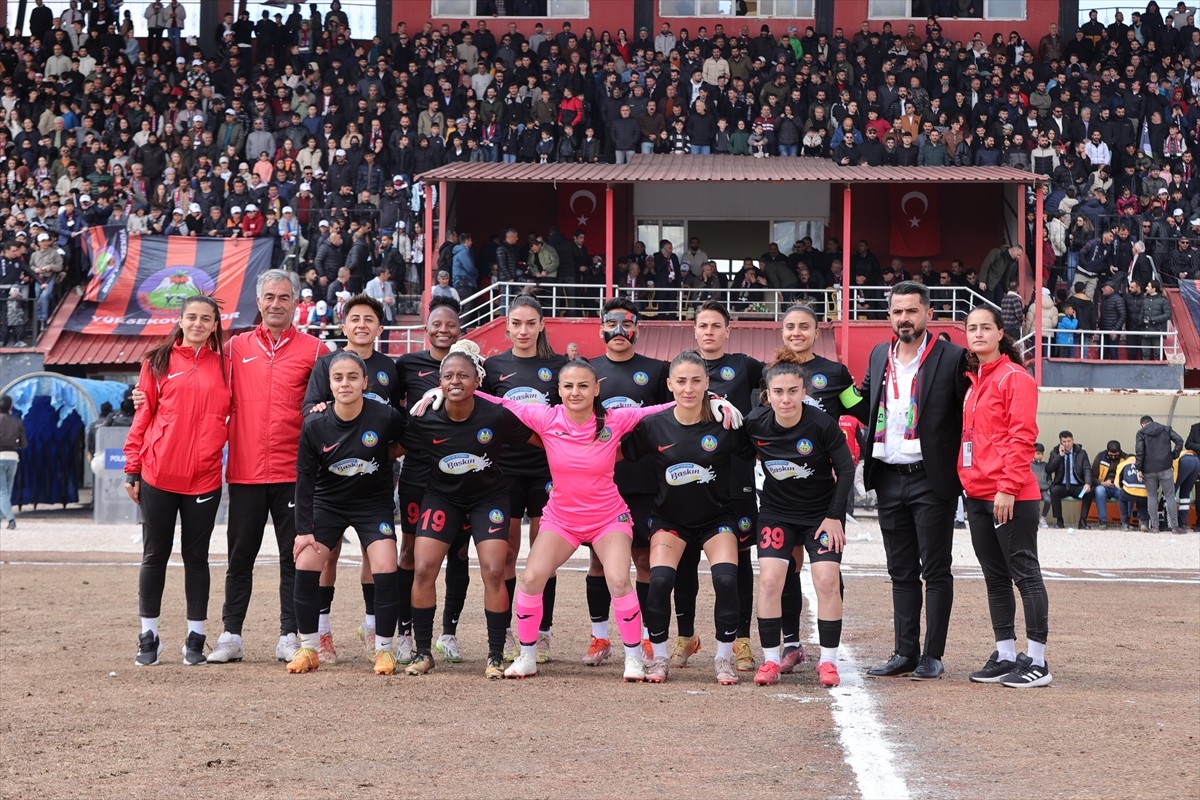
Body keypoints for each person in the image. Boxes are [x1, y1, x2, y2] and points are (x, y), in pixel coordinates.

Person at [411, 360, 740, 681]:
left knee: (618, 581)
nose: (576, 392)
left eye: (584, 385)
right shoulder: (545, 417)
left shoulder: (615, 419)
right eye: (568, 386)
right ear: (559, 390)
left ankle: (634, 658)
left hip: (608, 517)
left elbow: (657, 410)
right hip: (562, 519)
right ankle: (526, 656)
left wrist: (714, 400)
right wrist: (436, 392)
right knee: (530, 579)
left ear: (597, 389)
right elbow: (500, 400)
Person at [205, 269, 327, 664]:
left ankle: (288, 635)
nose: (276, 304)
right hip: (244, 471)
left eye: (284, 297)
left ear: (296, 303)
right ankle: (231, 634)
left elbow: (331, 406)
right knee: (240, 557)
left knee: (293, 558)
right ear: (258, 302)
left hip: (295, 474)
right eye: (269, 297)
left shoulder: (315, 350)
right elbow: (198, 383)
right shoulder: (234, 347)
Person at [850, 281, 969, 681]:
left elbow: (970, 413)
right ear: (889, 316)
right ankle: (904, 652)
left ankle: (932, 655)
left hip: (930, 478)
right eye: (898, 311)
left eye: (912, 311)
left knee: (935, 570)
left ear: (928, 314)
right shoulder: (879, 354)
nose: (904, 318)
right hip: (888, 476)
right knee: (900, 571)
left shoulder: (952, 358)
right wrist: (821, 389)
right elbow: (860, 401)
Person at [398, 342, 534, 679]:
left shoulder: (496, 416)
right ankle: (424, 651)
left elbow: (540, 440)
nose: (455, 381)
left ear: (477, 381)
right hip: (442, 499)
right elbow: (393, 448)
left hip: (488, 500)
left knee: (493, 569)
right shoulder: (423, 417)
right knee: (423, 567)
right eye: (448, 376)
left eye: (463, 375)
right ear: (439, 382)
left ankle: (495, 655)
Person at [621, 350, 748, 685]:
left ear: (707, 383)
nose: (688, 388)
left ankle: (723, 659)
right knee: (660, 581)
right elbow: (616, 451)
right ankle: (659, 659)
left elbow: (762, 444)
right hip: (670, 521)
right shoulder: (653, 426)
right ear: (669, 385)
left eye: (696, 380)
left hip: (716, 519)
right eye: (681, 381)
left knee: (725, 579)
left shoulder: (725, 423)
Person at [123, 296, 229, 667]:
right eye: (192, 317)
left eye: (206, 319)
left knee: (197, 559)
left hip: (204, 478)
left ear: (215, 325)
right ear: (181, 321)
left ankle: (195, 638)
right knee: (155, 556)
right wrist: (132, 466)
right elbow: (144, 414)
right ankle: (148, 636)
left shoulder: (226, 366)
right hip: (158, 474)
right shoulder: (157, 361)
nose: (198, 324)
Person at [300, 294, 403, 665]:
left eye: (369, 319)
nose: (362, 325)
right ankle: (322, 632)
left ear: (379, 326)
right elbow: (310, 411)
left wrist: (379, 453)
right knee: (327, 555)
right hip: (332, 482)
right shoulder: (326, 364)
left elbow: (399, 422)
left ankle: (373, 626)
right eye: (354, 319)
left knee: (373, 552)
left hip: (372, 480)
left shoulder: (390, 367)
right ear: (343, 325)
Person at [958, 306, 1053, 688]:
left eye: (985, 327)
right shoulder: (973, 381)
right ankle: (1006, 653)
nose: (978, 333)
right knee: (995, 577)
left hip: (1010, 494)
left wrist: (1007, 487)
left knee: (1024, 573)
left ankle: (1038, 661)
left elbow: (1022, 436)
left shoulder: (1016, 377)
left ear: (1001, 333)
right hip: (977, 494)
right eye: (971, 328)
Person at [747, 361, 855, 687]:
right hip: (776, 512)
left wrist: (834, 517)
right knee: (769, 581)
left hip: (820, 515)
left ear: (804, 392)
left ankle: (829, 662)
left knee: (826, 579)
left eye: (793, 391)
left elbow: (847, 470)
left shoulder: (822, 425)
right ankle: (769, 660)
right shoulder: (755, 424)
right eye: (778, 392)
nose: (786, 399)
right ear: (768, 395)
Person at [768, 304, 861, 673]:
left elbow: (863, 407)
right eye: (790, 326)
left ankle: (829, 649)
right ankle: (791, 644)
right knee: (787, 567)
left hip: (828, 486)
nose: (796, 333)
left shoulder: (835, 372)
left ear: (816, 331)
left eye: (804, 327)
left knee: (827, 570)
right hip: (784, 490)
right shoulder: (771, 373)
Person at [673, 299, 764, 673]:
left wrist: (750, 420)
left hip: (735, 481)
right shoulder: (681, 369)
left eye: (716, 325)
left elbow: (778, 390)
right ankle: (685, 635)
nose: (709, 331)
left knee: (738, 563)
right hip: (689, 480)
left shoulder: (746, 366)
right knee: (684, 560)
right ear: (694, 330)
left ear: (728, 330)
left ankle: (741, 640)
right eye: (703, 325)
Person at [581, 298, 669, 667]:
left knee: (645, 560)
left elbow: (670, 418)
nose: (619, 331)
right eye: (612, 323)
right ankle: (600, 638)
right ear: (600, 327)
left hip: (645, 481)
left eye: (626, 324)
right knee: (599, 564)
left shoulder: (656, 370)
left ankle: (648, 638)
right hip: (601, 485)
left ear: (637, 329)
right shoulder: (587, 370)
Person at [482, 294, 568, 663]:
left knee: (542, 556)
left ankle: (542, 632)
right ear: (506, 326)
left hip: (548, 470)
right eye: (516, 324)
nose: (523, 330)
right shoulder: (493, 366)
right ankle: (511, 628)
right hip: (505, 470)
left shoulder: (560, 365)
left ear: (542, 324)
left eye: (530, 323)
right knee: (507, 554)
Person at [393, 297, 465, 664]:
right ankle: (405, 631)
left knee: (457, 553)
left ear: (460, 328)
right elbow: (389, 413)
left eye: (450, 324)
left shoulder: (470, 367)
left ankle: (448, 633)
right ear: (426, 328)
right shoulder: (406, 365)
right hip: (418, 473)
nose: (443, 330)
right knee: (411, 553)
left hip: (460, 475)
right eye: (436, 324)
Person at [1136, 415, 1185, 534]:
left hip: (1149, 470)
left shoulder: (1141, 433)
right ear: (1152, 422)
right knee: (1169, 496)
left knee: (1152, 496)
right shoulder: (1165, 429)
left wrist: (1139, 469)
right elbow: (1179, 440)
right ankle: (1174, 527)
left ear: (1143, 424)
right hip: (1165, 468)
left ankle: (1155, 527)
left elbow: (1140, 451)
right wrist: (1174, 454)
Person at [1045, 431, 1093, 529]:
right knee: (1054, 491)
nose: (1067, 444)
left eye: (1069, 441)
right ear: (1060, 442)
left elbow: (1087, 468)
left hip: (1077, 484)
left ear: (1073, 440)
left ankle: (1082, 521)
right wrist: (1060, 456)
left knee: (1089, 492)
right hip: (1061, 485)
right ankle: (1059, 520)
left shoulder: (1081, 453)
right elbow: (1049, 469)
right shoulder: (1054, 452)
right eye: (1064, 442)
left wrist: (1088, 483)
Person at [1082, 441, 1127, 529]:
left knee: (1125, 493)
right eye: (1111, 455)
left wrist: (1120, 485)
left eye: (1116, 455)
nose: (1113, 457)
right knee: (1099, 490)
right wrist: (1102, 483)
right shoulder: (1100, 457)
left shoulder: (1125, 458)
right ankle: (1103, 521)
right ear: (1107, 451)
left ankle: (1125, 522)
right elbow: (1093, 476)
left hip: (1118, 487)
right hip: (1103, 485)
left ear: (1120, 451)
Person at [0, 395, 26, 530]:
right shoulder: (17, 421)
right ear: (10, 407)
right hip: (13, 458)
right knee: (6, 492)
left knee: (2, 491)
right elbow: (24, 444)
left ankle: (11, 520)